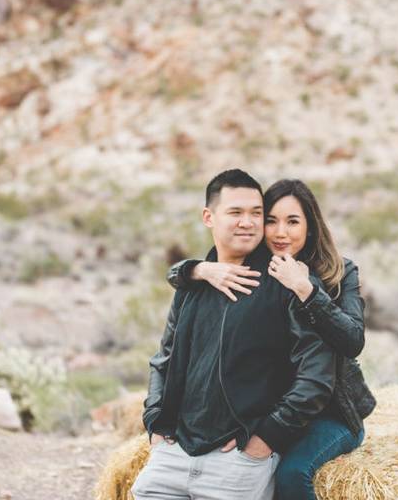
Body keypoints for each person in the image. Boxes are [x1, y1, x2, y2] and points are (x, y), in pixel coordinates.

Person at [132, 169, 336, 500]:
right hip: (173, 456)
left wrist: (263, 440)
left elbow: (315, 375)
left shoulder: (287, 281)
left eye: (257, 213)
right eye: (236, 212)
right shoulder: (194, 284)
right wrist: (155, 423)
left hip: (238, 462)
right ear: (209, 217)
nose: (248, 222)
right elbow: (163, 360)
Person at [168, 178, 376, 500]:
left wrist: (305, 289)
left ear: (310, 226)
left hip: (329, 411)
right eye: (271, 221)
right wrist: (198, 269)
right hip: (273, 409)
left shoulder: (340, 271)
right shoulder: (256, 271)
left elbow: (352, 339)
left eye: (293, 221)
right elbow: (180, 273)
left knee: (291, 474)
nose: (281, 232)